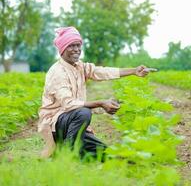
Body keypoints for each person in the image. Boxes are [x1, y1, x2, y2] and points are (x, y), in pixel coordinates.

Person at [38, 26, 150, 159]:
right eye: (71, 46)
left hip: (71, 125)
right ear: (62, 49)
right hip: (56, 125)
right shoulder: (57, 72)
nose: (76, 49)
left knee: (103, 152)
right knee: (83, 113)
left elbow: (102, 72)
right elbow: (68, 104)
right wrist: (101, 103)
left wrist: (133, 71)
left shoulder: (80, 67)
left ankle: (71, 149)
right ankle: (66, 152)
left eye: (78, 45)